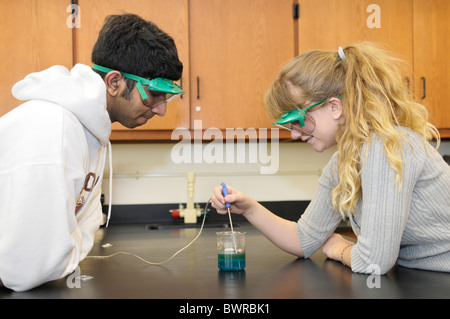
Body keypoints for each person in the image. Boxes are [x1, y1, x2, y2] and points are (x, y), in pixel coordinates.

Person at [212, 42, 450, 275]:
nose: (294, 133)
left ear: (335, 107)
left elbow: (373, 262)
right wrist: (249, 208)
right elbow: (304, 240)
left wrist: (339, 247)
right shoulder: (342, 162)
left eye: (296, 120)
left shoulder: (385, 148)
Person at [0, 14, 183, 291]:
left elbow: (84, 224)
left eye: (167, 97)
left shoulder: (89, 132)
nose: (161, 109)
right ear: (113, 82)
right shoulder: (54, 128)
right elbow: (28, 269)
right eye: (154, 93)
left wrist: (63, 253)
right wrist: (61, 253)